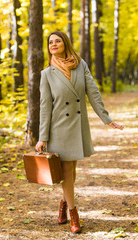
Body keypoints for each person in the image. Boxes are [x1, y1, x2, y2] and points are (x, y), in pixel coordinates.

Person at [35, 31, 124, 233]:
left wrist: (107, 120)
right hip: (58, 128)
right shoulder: (46, 74)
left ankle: (63, 205)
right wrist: (42, 137)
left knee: (71, 172)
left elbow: (93, 92)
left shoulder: (80, 65)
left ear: (65, 43)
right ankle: (74, 214)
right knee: (67, 172)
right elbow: (44, 106)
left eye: (57, 41)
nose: (53, 44)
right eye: (50, 42)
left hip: (76, 125)